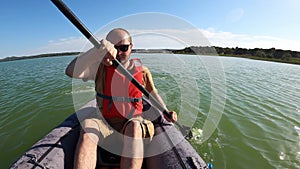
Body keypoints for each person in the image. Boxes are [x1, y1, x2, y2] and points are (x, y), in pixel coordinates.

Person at [65, 28, 177, 169]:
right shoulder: (98, 68)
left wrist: (166, 111)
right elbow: (70, 71)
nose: (118, 52)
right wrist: (95, 52)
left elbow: (152, 93)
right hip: (104, 122)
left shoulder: (143, 71)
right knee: (87, 127)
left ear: (131, 47)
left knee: (135, 127)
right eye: (113, 47)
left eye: (123, 47)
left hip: (132, 121)